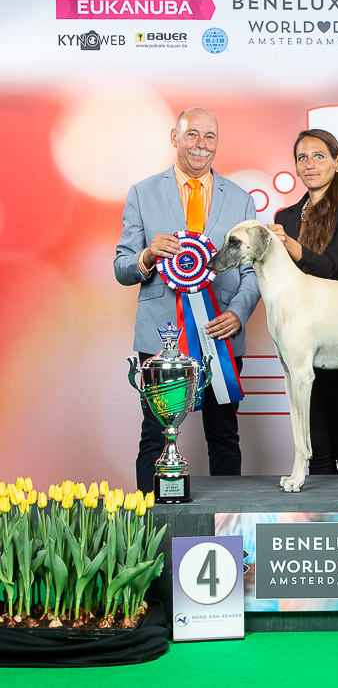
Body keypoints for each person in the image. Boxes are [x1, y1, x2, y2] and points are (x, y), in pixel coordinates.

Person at [114, 107, 260, 493]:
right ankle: (148, 523)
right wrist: (147, 255)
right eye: (192, 134)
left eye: (210, 136)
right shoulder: (143, 193)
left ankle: (228, 522)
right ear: (174, 137)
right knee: (155, 435)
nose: (201, 144)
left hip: (219, 332)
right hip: (161, 337)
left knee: (224, 434)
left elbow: (252, 272)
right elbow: (122, 267)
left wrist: (238, 313)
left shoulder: (241, 199)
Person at [270, 128, 338, 474]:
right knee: (316, 451)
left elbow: (332, 267)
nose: (310, 164)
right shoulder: (284, 218)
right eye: (302, 158)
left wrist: (291, 247)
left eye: (319, 156)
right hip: (302, 345)